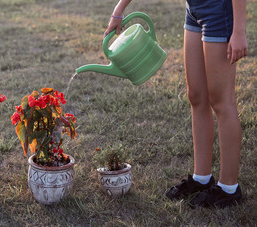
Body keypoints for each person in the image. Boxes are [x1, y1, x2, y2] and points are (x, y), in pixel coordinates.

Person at [104, 0, 248, 208]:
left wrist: (239, 30)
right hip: (194, 10)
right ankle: (201, 178)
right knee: (196, 96)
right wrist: (119, 9)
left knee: (221, 101)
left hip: (219, 11)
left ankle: (228, 188)